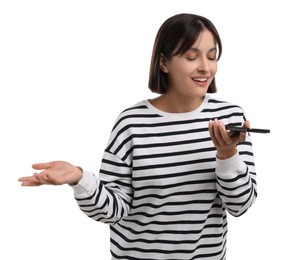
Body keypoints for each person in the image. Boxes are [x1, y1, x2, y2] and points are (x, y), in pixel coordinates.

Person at [19, 13, 257, 260]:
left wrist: (227, 154)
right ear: (164, 63)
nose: (205, 67)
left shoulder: (230, 117)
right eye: (191, 57)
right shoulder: (131, 123)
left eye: (211, 56)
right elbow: (113, 210)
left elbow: (241, 205)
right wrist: (80, 179)